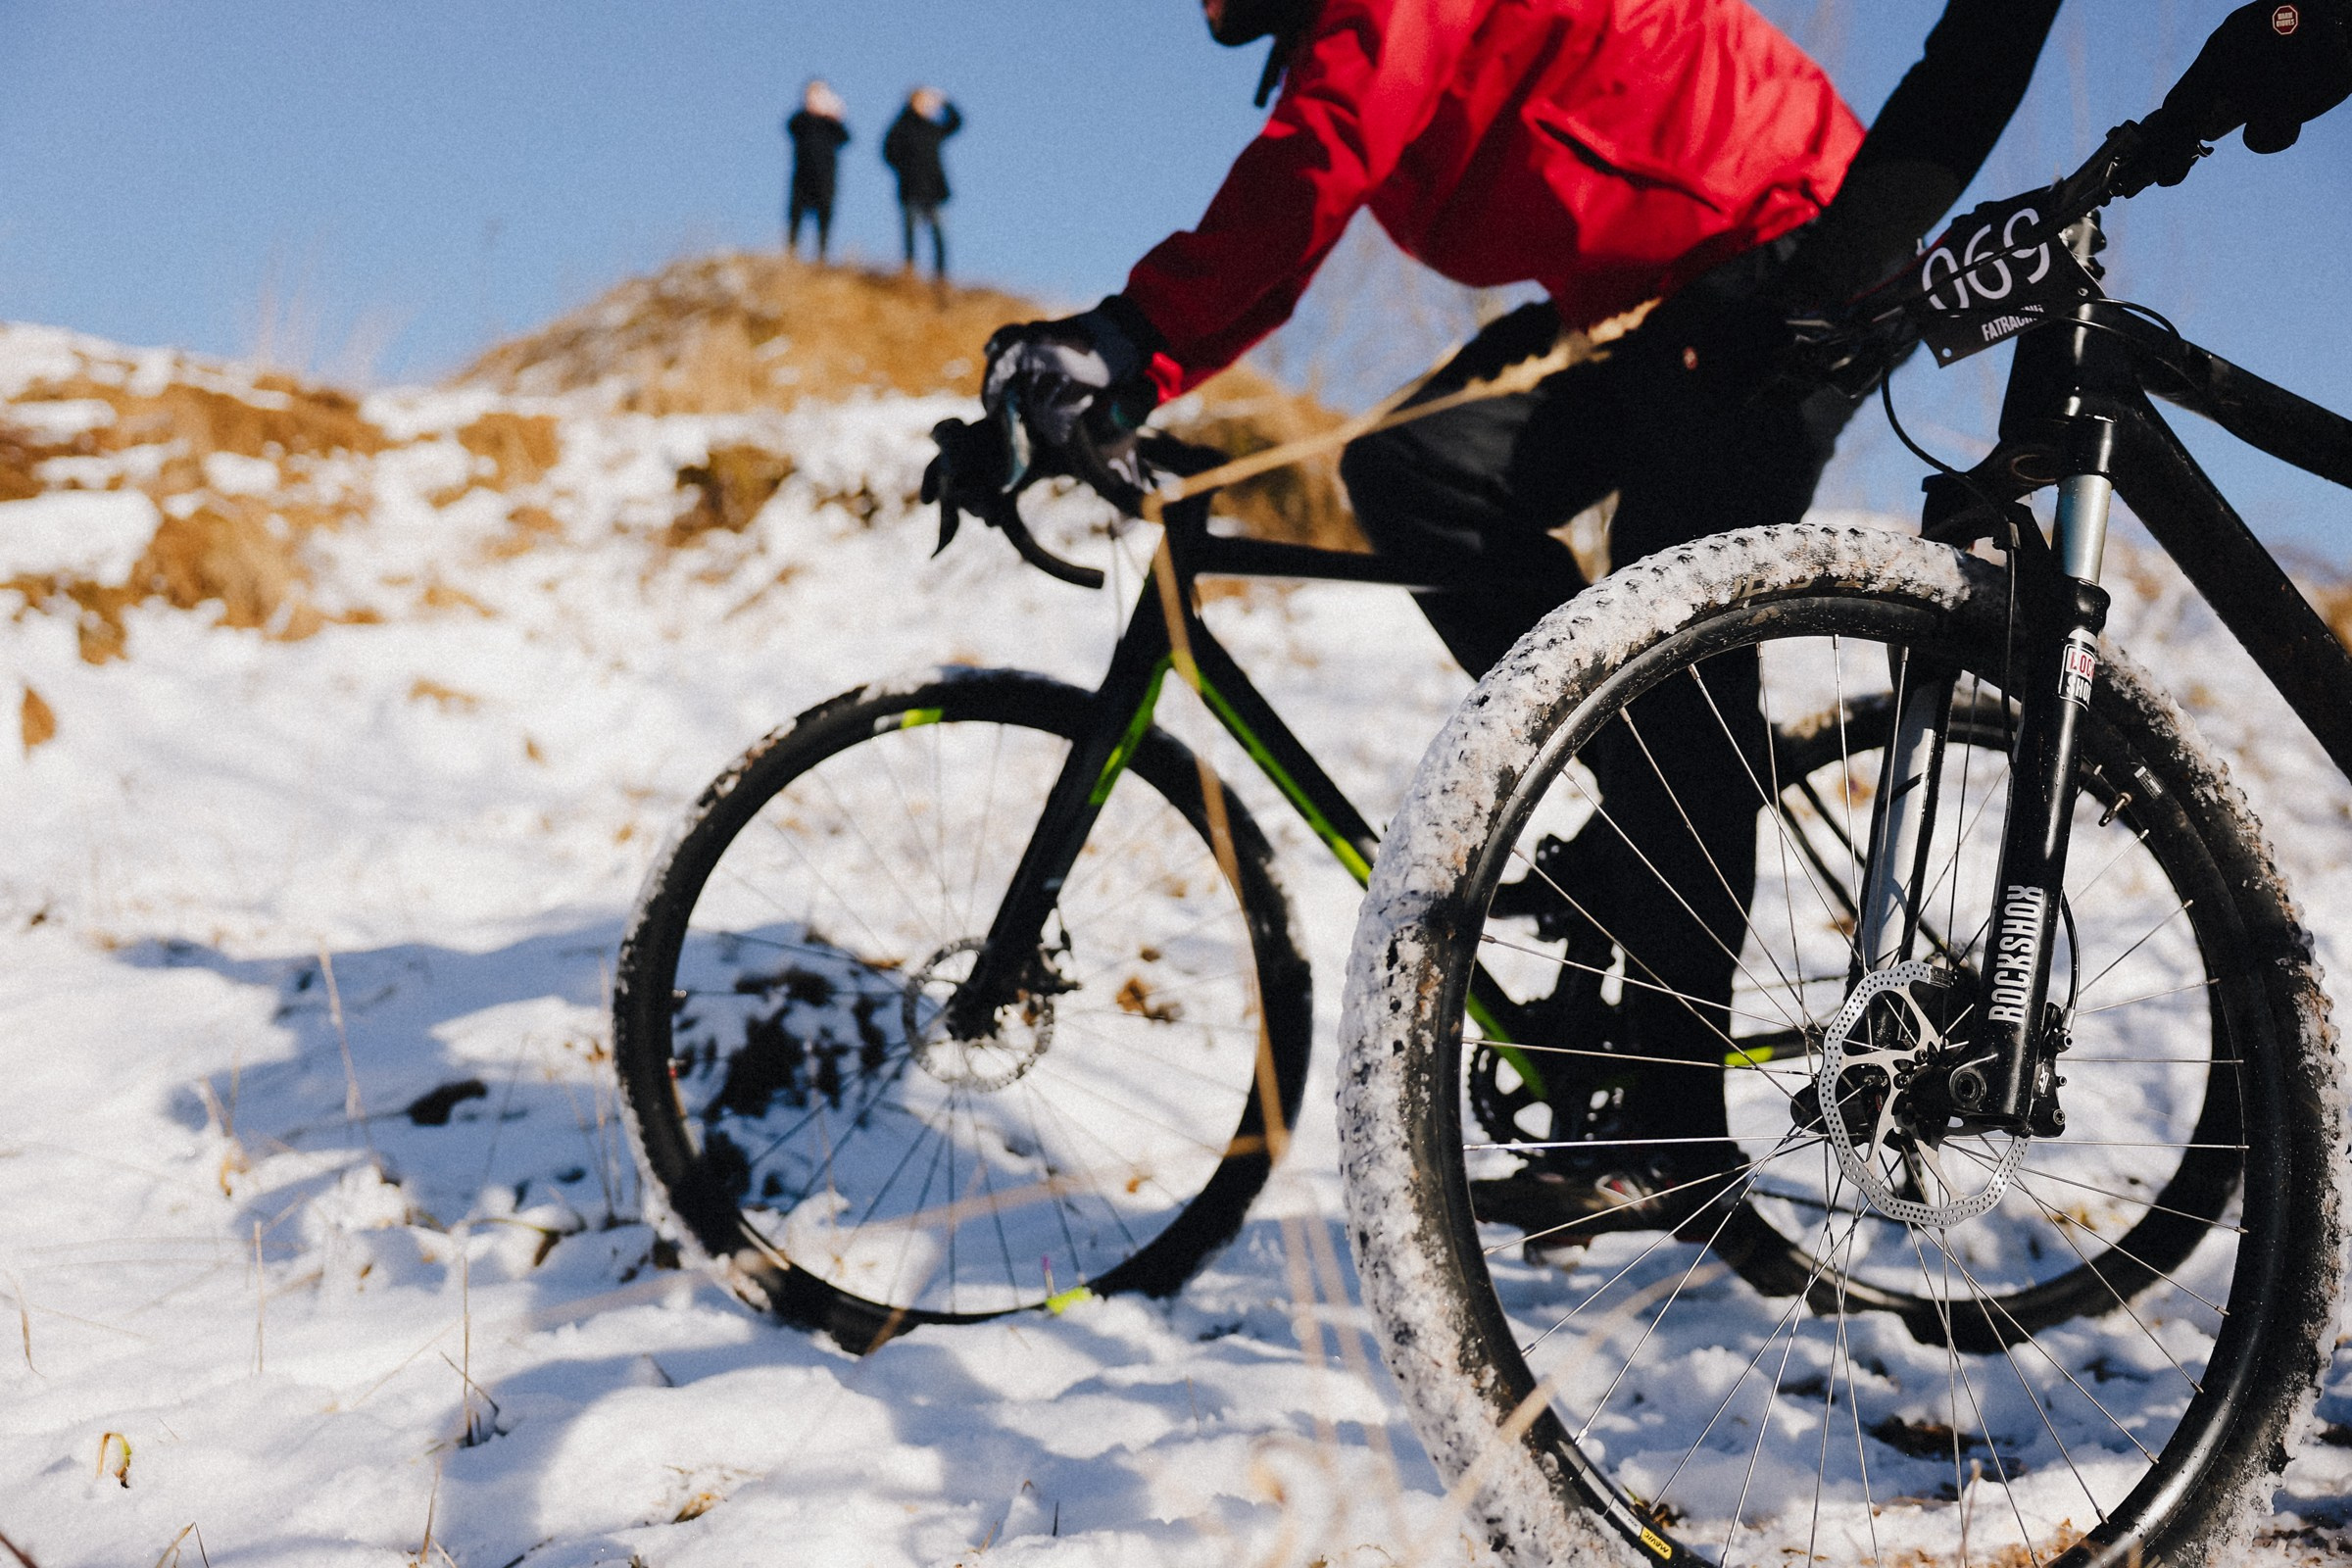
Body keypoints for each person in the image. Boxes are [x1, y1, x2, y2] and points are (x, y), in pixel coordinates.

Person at [963, 0, 2352, 1237]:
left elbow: (1319, 161)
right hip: (1668, 293)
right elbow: (1522, 160)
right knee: (1411, 472)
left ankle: (1671, 1128)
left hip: (1792, 252)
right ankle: (1635, 810)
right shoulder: (1345, 36)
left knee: (1666, 641)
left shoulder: (1373, 15)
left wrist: (1130, 341)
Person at [882, 86, 962, 281]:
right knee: (910, 235)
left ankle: (940, 277)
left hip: (934, 191)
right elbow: (887, 152)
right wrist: (905, 170)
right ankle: (909, 273)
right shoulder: (902, 127)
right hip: (910, 189)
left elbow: (956, 123)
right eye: (922, 101)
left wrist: (944, 101)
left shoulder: (932, 128)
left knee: (938, 237)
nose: (926, 106)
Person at [785, 79, 851, 263]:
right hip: (802, 175)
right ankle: (790, 254)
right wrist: (810, 112)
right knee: (796, 216)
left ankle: (821, 256)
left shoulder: (831, 124)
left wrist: (834, 116)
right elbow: (791, 126)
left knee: (824, 216)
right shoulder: (801, 120)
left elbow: (845, 138)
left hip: (826, 177)